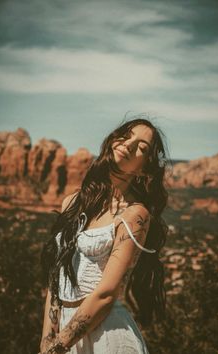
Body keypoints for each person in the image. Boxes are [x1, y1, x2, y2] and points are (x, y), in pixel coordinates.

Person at [39, 116, 170, 354]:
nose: (129, 144)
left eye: (142, 147)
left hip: (107, 338)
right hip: (63, 337)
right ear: (113, 140)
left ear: (144, 167)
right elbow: (55, 280)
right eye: (127, 135)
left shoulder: (135, 215)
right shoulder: (72, 202)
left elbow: (107, 293)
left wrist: (58, 346)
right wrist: (47, 337)